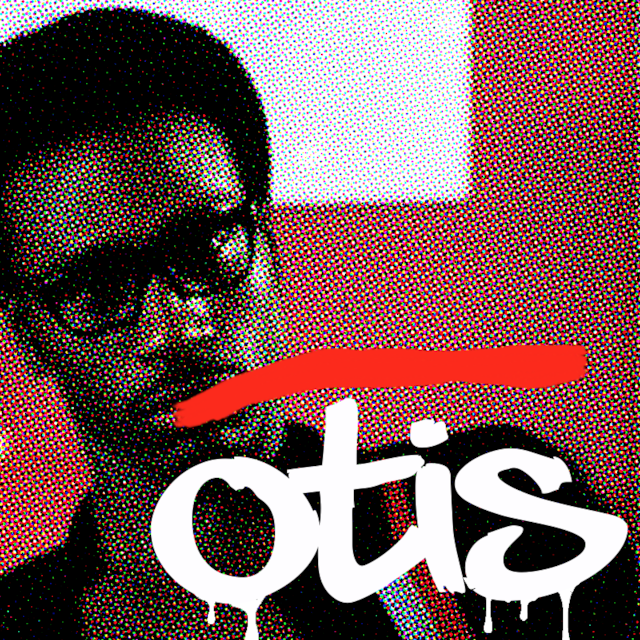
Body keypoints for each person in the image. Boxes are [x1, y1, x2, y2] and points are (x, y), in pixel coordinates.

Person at [0, 8, 634, 640]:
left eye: (209, 250)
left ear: (270, 248)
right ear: (24, 330)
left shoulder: (498, 514)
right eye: (99, 291)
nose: (181, 325)